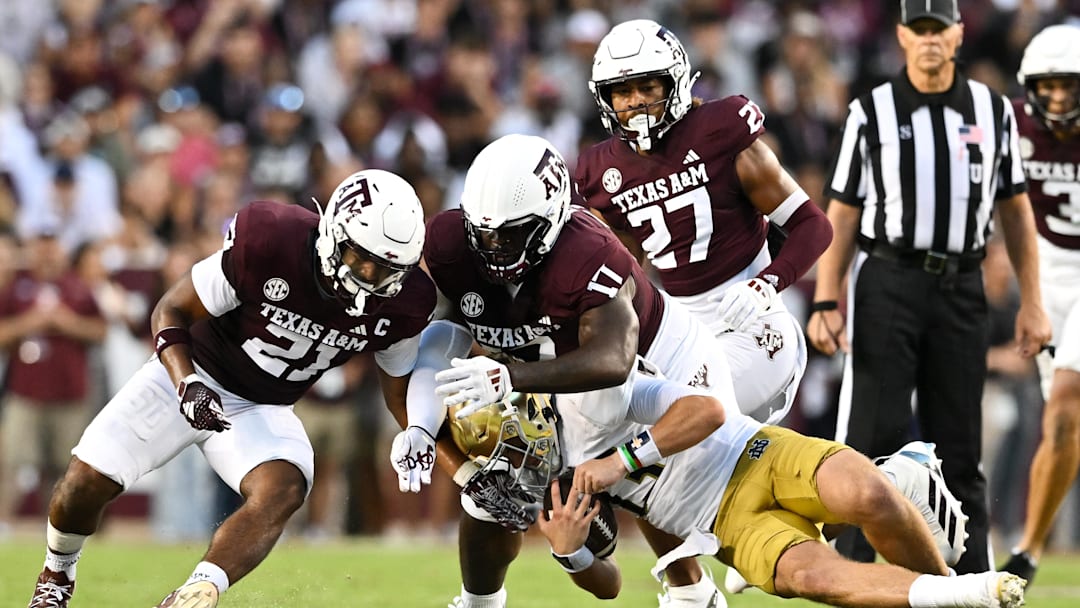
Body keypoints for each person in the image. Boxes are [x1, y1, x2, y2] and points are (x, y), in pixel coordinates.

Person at [25, 169, 434, 608]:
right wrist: (188, 385)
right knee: (85, 480)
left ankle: (197, 592)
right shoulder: (272, 239)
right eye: (362, 258)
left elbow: (398, 382)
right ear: (334, 233)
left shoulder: (408, 302)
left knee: (285, 488)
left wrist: (419, 431)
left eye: (388, 268)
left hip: (264, 407)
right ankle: (57, 573)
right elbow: (171, 309)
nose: (371, 276)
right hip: (191, 372)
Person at [389, 133, 739, 608]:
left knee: (672, 492)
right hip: (551, 377)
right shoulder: (451, 243)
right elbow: (439, 337)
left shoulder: (589, 252)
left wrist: (508, 377)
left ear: (551, 221)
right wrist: (423, 428)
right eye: (485, 232)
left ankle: (694, 589)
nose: (493, 247)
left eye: (511, 234)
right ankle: (478, 603)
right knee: (494, 493)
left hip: (655, 363)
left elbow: (613, 361)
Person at [808, 0, 1052, 575]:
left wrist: (1033, 301)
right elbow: (841, 212)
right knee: (868, 443)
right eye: (918, 30)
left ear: (959, 33)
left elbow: (1016, 211)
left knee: (960, 449)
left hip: (963, 285)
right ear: (900, 36)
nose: (929, 41)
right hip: (889, 279)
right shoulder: (872, 111)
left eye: (938, 29)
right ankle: (853, 580)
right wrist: (826, 298)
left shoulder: (994, 111)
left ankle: (973, 583)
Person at [521, 376, 1027, 608]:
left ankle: (896, 479)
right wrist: (569, 553)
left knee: (867, 496)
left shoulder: (595, 388)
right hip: (720, 525)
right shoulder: (551, 481)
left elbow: (707, 411)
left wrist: (620, 461)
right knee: (810, 577)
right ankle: (959, 592)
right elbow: (607, 586)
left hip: (750, 449)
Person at [575, 18, 833, 426]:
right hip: (679, 331)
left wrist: (765, 284)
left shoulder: (720, 129)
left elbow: (813, 224)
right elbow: (623, 272)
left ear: (675, 82)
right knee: (603, 414)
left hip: (753, 323)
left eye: (648, 87)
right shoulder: (600, 168)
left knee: (684, 422)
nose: (636, 102)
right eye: (622, 91)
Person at [999, 23, 1080, 584]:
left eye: (1068, 86)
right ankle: (1029, 549)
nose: (1056, 98)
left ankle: (1028, 545)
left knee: (1067, 400)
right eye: (1047, 86)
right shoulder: (1010, 126)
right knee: (1063, 420)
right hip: (1045, 268)